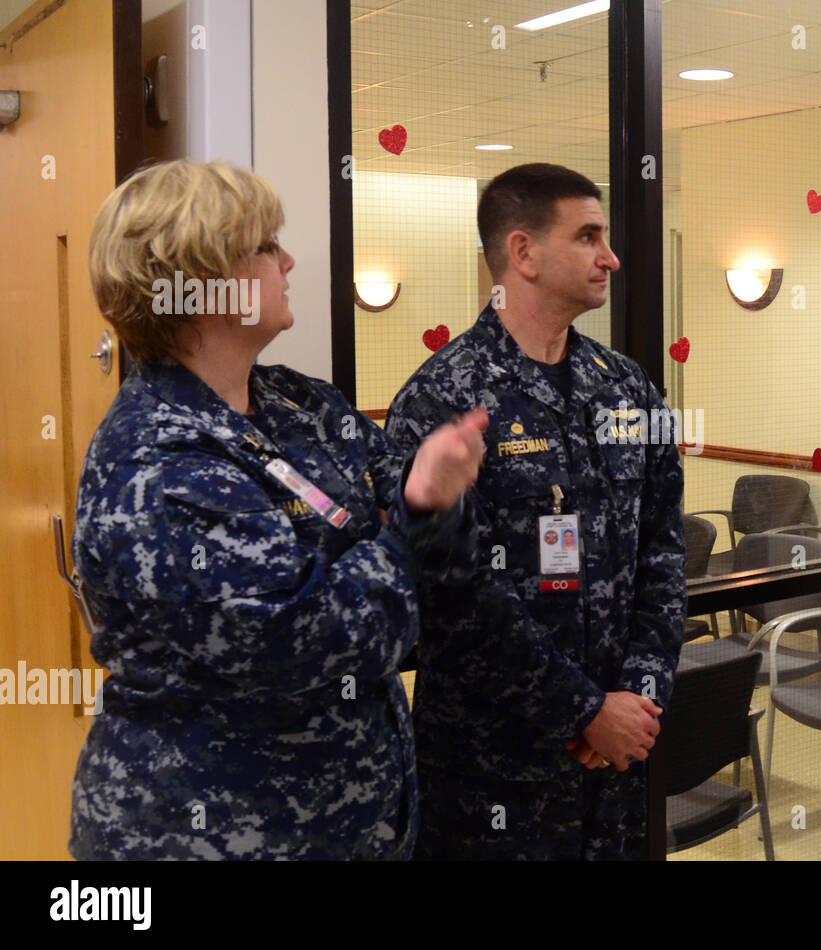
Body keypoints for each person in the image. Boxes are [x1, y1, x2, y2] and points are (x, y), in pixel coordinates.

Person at [69, 159, 486, 859]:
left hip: (355, 824)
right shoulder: (157, 464)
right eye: (265, 247)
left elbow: (443, 569)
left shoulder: (300, 404)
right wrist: (412, 518)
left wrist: (411, 525)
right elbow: (304, 639)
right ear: (198, 281)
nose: (289, 259)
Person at [386, 163, 686, 860]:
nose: (610, 256)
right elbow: (450, 600)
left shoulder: (627, 389)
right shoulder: (444, 401)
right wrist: (582, 711)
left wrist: (637, 698)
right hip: (493, 774)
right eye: (588, 237)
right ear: (522, 253)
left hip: (615, 767)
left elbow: (665, 553)